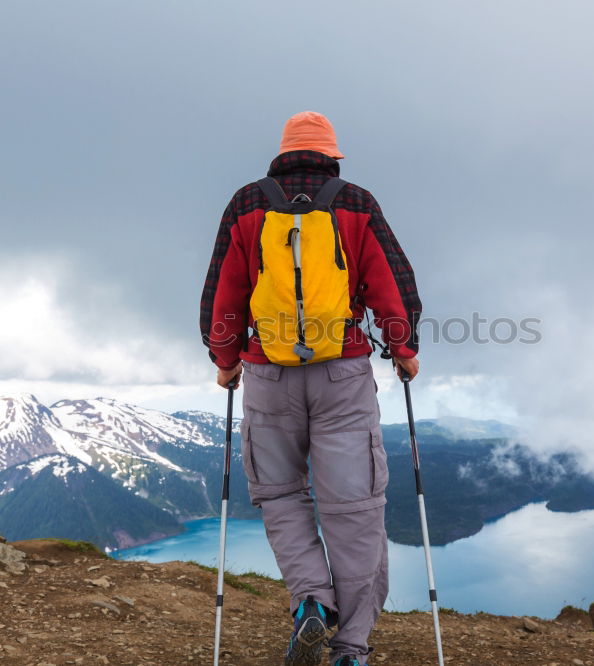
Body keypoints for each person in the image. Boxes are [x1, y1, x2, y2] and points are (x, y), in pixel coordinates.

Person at [200, 111, 422, 666]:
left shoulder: (247, 203)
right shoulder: (356, 202)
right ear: (332, 156)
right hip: (341, 373)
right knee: (355, 507)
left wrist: (225, 358)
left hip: (268, 372)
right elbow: (391, 281)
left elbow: (223, 290)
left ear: (281, 154)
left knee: (279, 493)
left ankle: (312, 604)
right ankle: (351, 648)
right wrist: (404, 348)